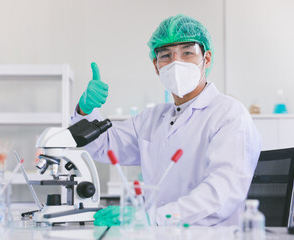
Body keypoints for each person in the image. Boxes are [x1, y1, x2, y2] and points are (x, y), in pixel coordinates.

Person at [71, 13, 261, 226]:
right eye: (166, 56)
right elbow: (104, 145)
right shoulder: (152, 118)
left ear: (206, 59)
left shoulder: (229, 114)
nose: (176, 63)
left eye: (187, 52)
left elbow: (222, 194)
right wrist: (86, 110)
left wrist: (153, 218)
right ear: (156, 66)